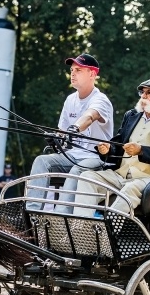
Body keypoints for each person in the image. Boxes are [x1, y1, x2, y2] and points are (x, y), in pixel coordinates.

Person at [73, 78, 150, 245]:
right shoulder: (131, 116)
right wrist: (108, 149)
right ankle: (80, 234)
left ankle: (105, 239)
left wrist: (142, 150)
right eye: (142, 92)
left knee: (130, 189)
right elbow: (118, 144)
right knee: (88, 178)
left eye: (149, 93)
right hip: (120, 174)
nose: (143, 96)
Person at [26, 53, 114, 212]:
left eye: (78, 70)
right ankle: (31, 213)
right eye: (72, 70)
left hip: (96, 158)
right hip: (72, 156)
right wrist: (56, 138)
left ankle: (61, 216)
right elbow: (62, 132)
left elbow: (90, 116)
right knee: (41, 161)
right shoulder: (70, 100)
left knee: (76, 171)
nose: (73, 73)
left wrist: (75, 128)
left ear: (92, 74)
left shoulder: (100, 99)